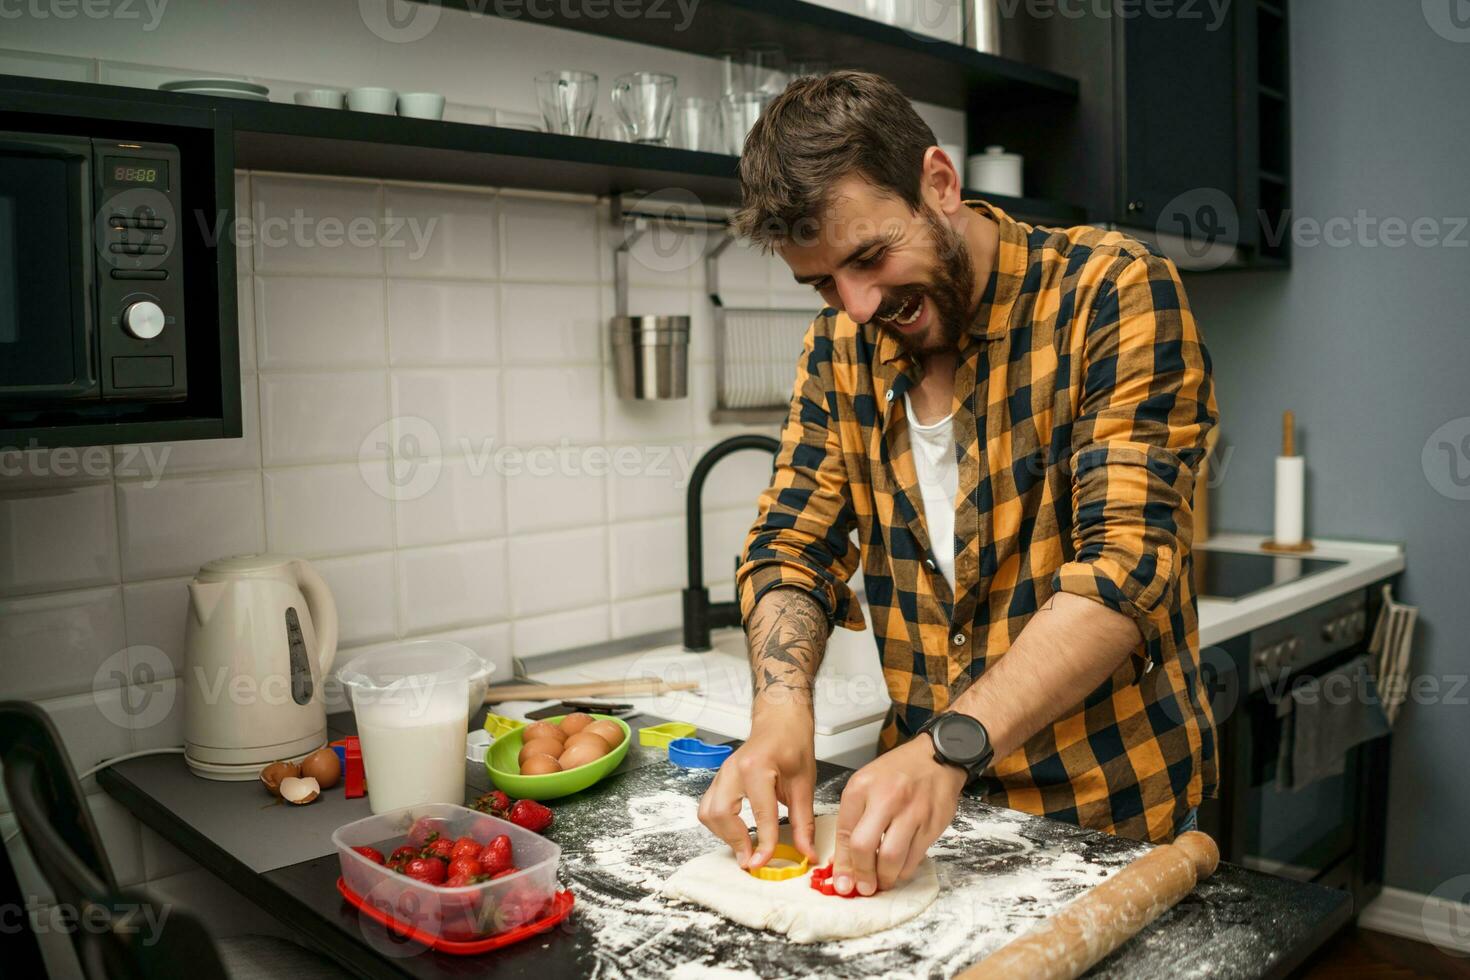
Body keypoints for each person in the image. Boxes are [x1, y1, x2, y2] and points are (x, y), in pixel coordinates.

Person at [696, 70, 1219, 898]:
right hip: (915, 828)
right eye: (825, 282)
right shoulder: (839, 349)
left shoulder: (1111, 292)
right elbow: (791, 547)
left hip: (1108, 820)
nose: (858, 305)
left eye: (869, 257)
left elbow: (1127, 570)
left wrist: (946, 749)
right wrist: (780, 715)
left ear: (939, 183)